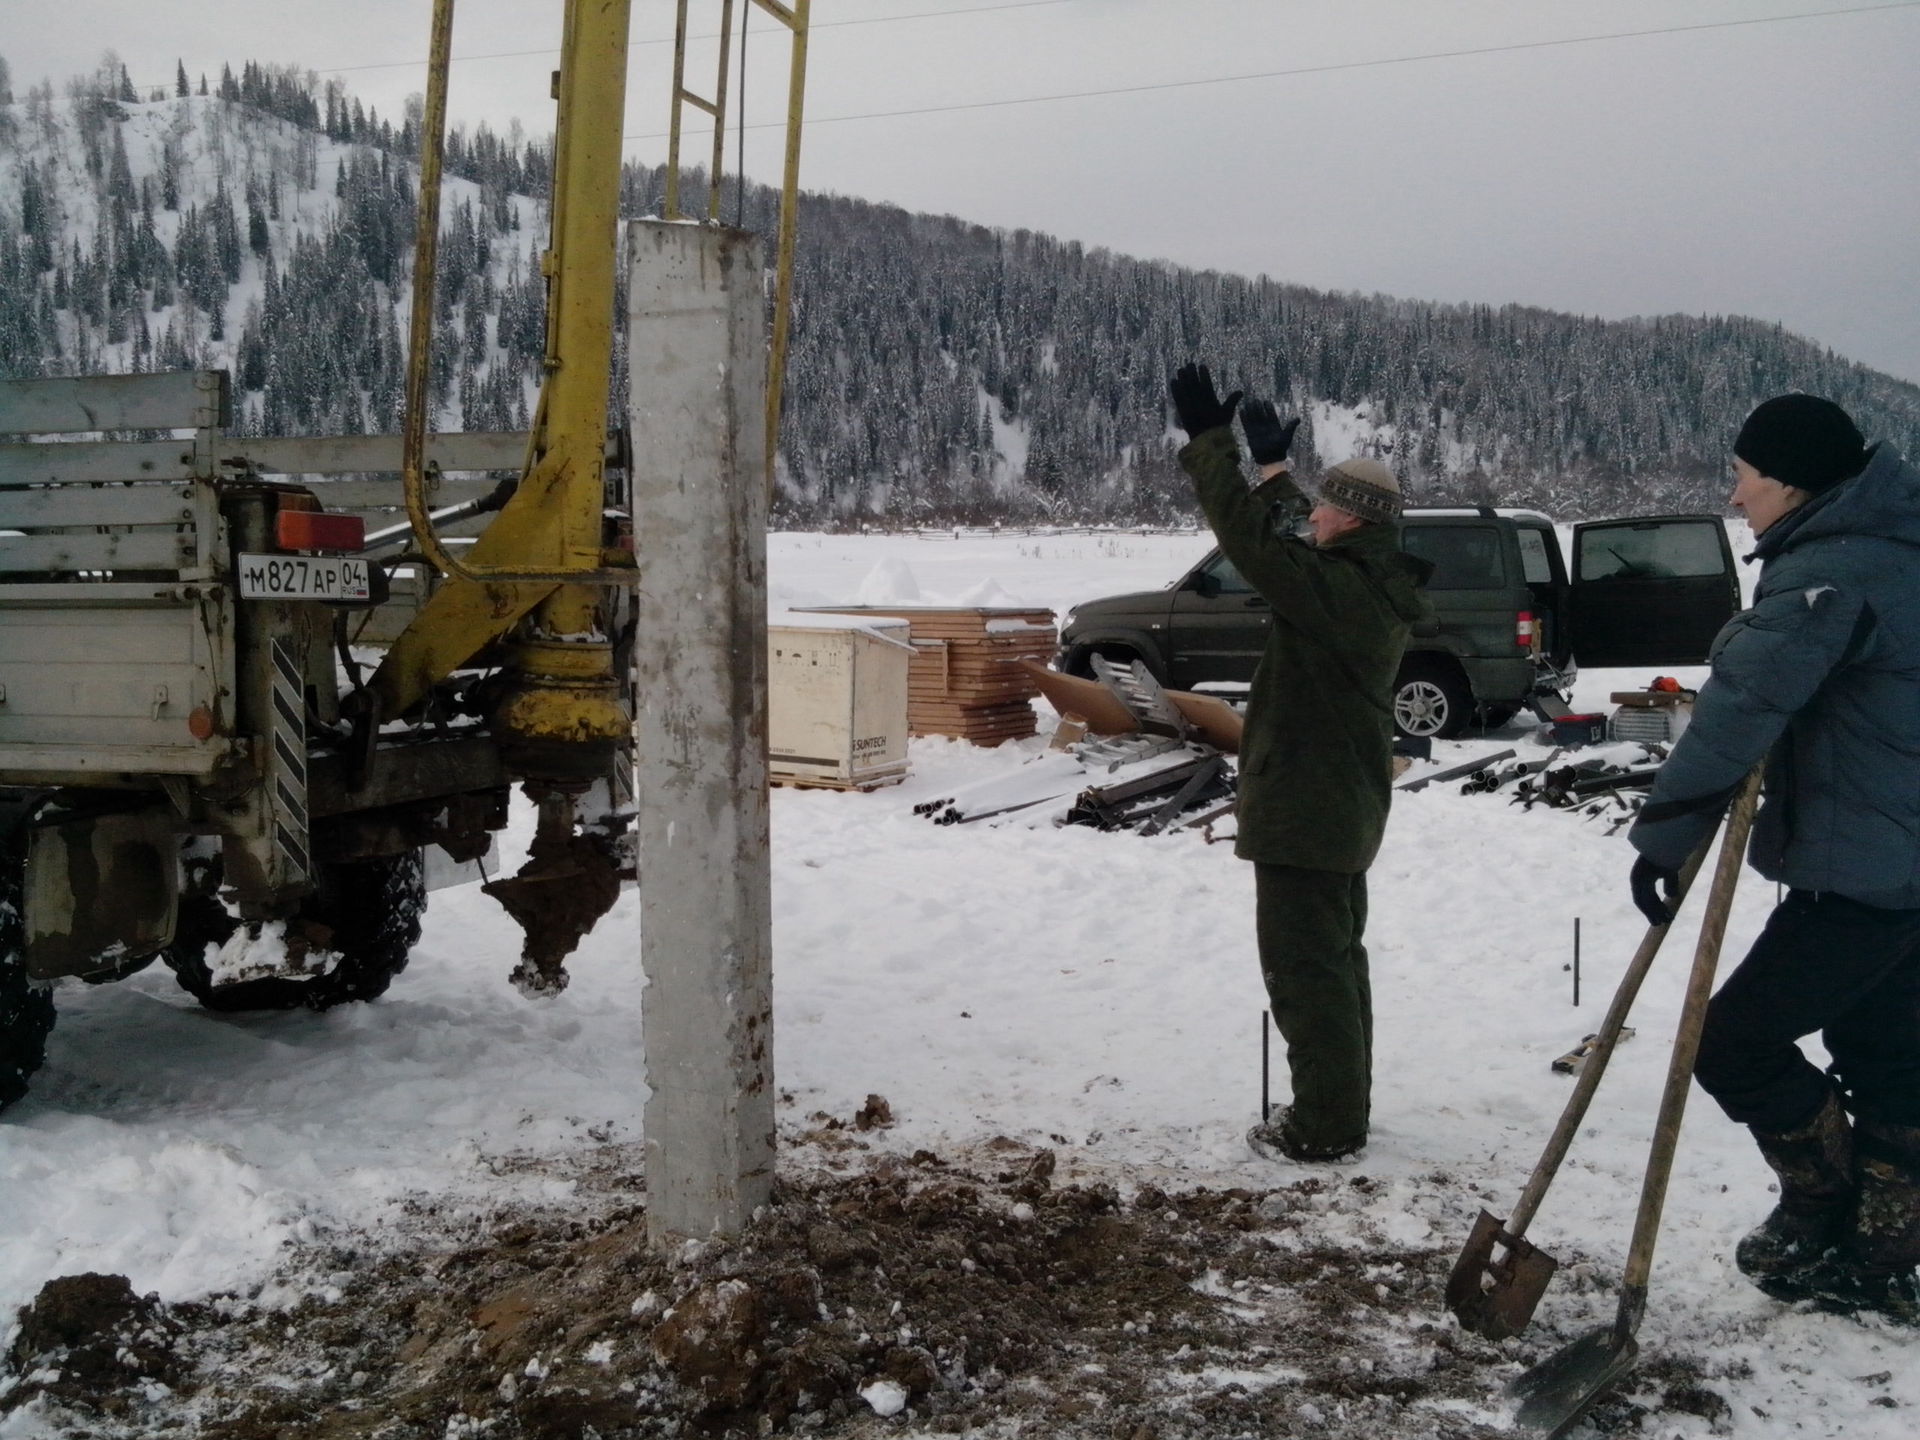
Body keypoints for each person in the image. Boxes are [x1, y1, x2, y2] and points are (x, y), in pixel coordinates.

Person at [1627, 393, 1920, 1324]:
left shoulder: (1829, 576)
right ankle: (1881, 1249)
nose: (1736, 491)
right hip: (1899, 861)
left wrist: (1665, 841)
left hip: (1871, 871)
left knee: (1732, 1039)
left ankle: (1822, 1203)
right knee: (1888, 1053)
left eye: (1745, 475)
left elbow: (1737, 713)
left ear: (1791, 482)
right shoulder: (1896, 549)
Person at [1166, 362, 1431, 1162]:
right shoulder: (1364, 575)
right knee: (1335, 966)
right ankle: (1339, 1107)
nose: (1312, 512)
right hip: (1335, 807)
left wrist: (1210, 445)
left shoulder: (1341, 593)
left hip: (1309, 812)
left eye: (1323, 504)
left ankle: (1324, 1127)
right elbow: (1289, 540)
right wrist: (1277, 472)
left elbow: (1253, 543)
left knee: (1308, 974)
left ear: (1348, 522)